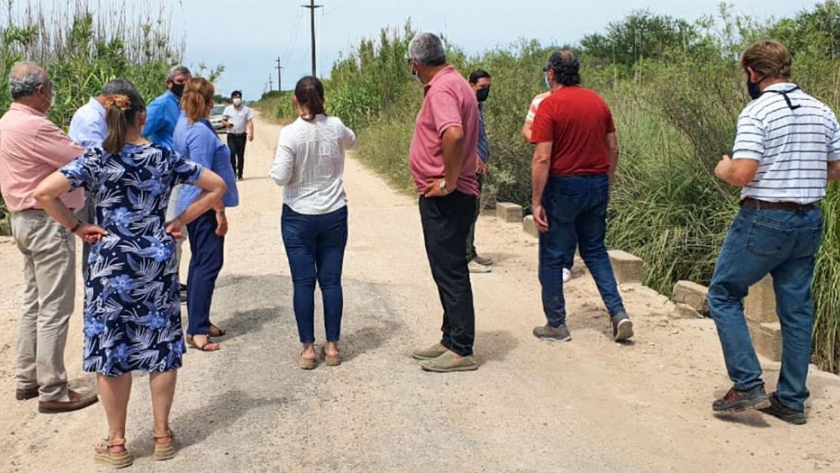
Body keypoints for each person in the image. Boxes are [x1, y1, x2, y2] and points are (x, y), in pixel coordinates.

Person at [33, 83, 226, 468]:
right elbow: (216, 185)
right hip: (155, 260)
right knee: (160, 347)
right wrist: (180, 219)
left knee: (112, 351)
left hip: (110, 264)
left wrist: (76, 227)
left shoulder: (96, 159)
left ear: (110, 119)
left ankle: (117, 443)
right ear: (142, 117)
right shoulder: (163, 156)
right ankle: (161, 435)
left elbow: (43, 192)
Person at [708, 41, 840, 425]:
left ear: (753, 74)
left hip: (764, 218)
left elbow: (743, 173)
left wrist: (723, 168)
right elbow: (836, 167)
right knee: (796, 309)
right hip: (809, 219)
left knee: (724, 292)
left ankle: (748, 382)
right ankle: (792, 399)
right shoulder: (822, 110)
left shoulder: (757, 111)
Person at [0, 61, 99, 413]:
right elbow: (81, 158)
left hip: (22, 219)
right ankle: (54, 389)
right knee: (55, 306)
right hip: (47, 221)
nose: (52, 96)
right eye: (50, 90)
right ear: (40, 91)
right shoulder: (35, 126)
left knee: (34, 301)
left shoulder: (7, 122)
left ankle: (27, 378)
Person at [530, 50, 634, 343]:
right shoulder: (598, 102)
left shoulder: (549, 106)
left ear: (551, 73)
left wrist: (537, 201)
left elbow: (541, 158)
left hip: (563, 187)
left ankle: (556, 324)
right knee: (595, 251)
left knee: (552, 255)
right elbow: (613, 148)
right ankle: (618, 313)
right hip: (597, 183)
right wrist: (606, 184)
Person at [269, 76, 355, 369]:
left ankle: (308, 349)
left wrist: (275, 160)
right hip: (333, 212)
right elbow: (352, 142)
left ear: (295, 100)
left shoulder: (290, 134)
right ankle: (332, 346)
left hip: (298, 215)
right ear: (322, 97)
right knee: (331, 281)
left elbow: (280, 176)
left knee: (303, 283)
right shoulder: (336, 126)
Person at [407, 33, 480, 373]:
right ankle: (450, 338)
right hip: (455, 193)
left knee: (450, 270)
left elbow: (453, 134)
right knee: (446, 268)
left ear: (416, 64)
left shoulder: (441, 89)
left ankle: (461, 348)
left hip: (448, 197)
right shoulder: (457, 82)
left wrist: (448, 182)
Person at [174, 78, 239, 352]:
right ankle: (197, 329)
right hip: (203, 206)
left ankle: (201, 319)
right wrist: (219, 211)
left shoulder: (188, 124)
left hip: (195, 205)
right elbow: (203, 176)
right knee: (208, 264)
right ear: (209, 100)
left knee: (201, 262)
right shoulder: (199, 132)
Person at [69, 79, 137, 278]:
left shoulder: (97, 115)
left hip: (99, 190)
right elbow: (99, 161)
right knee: (96, 248)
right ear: (114, 99)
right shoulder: (91, 119)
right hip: (92, 192)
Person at [143, 65, 192, 303]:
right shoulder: (161, 105)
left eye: (187, 81)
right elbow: (140, 133)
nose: (184, 85)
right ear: (169, 82)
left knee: (183, 233)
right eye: (180, 81)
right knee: (173, 232)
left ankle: (175, 280)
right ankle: (166, 283)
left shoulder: (187, 104)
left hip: (188, 177)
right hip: (169, 178)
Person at [522, 72, 574, 284]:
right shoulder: (539, 100)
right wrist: (542, 140)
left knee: (569, 217)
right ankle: (551, 261)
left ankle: (565, 262)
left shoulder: (576, 101)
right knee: (547, 214)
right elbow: (526, 129)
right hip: (546, 166)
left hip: (569, 167)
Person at [465, 69, 493, 274]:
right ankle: (466, 256)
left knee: (474, 212)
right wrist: (475, 158)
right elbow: (465, 136)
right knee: (468, 211)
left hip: (478, 165)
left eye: (488, 87)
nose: (486, 91)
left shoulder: (478, 105)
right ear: (472, 85)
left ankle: (471, 251)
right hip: (469, 167)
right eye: (482, 87)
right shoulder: (468, 106)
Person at [223, 90, 255, 181]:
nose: (237, 99)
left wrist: (251, 133)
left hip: (241, 135)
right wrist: (227, 124)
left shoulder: (245, 110)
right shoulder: (228, 109)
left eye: (238, 97)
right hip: (231, 135)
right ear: (232, 99)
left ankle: (240, 174)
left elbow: (249, 121)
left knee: (240, 155)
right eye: (235, 97)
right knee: (232, 154)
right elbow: (223, 120)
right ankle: (233, 173)